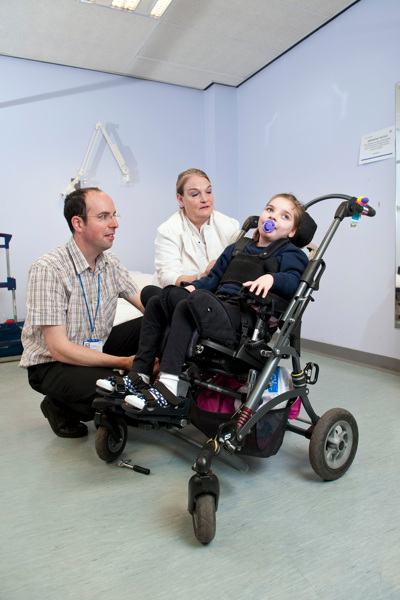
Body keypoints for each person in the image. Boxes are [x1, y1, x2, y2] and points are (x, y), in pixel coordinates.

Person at [97, 193, 309, 410]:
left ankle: (168, 384)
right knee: (159, 297)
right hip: (215, 306)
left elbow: (294, 280)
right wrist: (192, 287)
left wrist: (272, 278)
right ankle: (139, 374)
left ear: (292, 231)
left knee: (190, 301)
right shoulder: (237, 248)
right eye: (270, 209)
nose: (273, 217)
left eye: (284, 216)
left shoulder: (291, 253)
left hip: (242, 320)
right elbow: (212, 279)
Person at [19, 187, 144, 438]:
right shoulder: (48, 269)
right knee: (117, 391)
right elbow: (59, 348)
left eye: (115, 215)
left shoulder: (112, 262)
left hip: (96, 346)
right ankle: (58, 405)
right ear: (78, 223)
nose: (115, 224)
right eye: (104, 216)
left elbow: (145, 304)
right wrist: (124, 363)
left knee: (156, 322)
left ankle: (115, 385)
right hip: (53, 364)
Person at [153, 168, 240, 288]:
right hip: (179, 295)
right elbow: (167, 277)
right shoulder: (168, 230)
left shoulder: (229, 225)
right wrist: (202, 276)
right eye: (195, 194)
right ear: (180, 199)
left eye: (208, 191)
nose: (205, 199)